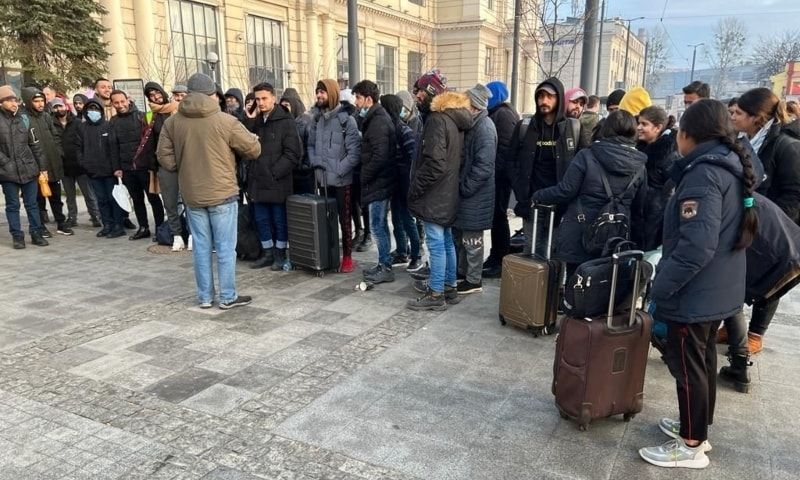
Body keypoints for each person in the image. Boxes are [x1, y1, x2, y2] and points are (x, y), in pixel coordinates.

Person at [639, 99, 758, 469]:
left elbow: (696, 246)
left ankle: (691, 445)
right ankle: (697, 426)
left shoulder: (703, 174)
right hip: (717, 286)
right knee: (702, 360)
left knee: (688, 365)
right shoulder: (729, 165)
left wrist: (659, 287)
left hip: (696, 290)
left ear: (689, 135)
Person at [157, 72, 261, 310]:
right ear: (212, 94)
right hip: (222, 193)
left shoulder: (172, 122)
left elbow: (163, 156)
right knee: (225, 248)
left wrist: (182, 167)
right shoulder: (225, 121)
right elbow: (253, 149)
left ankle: (204, 297)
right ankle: (227, 296)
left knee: (202, 248)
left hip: (192, 195)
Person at [531, 110, 647, 276]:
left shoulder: (587, 155)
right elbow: (639, 207)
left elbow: (566, 191)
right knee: (604, 286)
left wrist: (538, 195)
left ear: (605, 129)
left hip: (580, 232)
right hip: (616, 237)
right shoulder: (640, 165)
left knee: (576, 284)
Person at [716, 192, 800, 392]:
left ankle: (750, 342)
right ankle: (739, 358)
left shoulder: (718, 184)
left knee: (751, 290)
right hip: (768, 237)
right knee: (733, 290)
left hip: (781, 250)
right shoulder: (732, 183)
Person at [407, 91, 472, 310]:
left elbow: (435, 163)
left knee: (436, 244)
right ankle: (449, 288)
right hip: (448, 192)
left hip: (435, 194)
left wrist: (415, 187)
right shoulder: (455, 121)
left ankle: (436, 294)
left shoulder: (437, 120)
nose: (417, 96)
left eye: (421, 93)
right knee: (445, 241)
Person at [509, 77, 588, 257]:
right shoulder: (525, 127)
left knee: (553, 253)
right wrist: (520, 190)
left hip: (560, 203)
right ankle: (531, 286)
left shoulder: (573, 128)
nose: (544, 101)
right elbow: (511, 161)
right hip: (531, 202)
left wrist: (571, 193)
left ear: (559, 98)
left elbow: (584, 163)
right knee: (530, 252)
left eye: (549, 97)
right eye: (540, 96)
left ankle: (551, 286)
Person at [307, 79, 361, 273]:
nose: (319, 96)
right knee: (324, 220)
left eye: (322, 92)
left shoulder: (347, 120)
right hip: (321, 179)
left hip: (341, 181)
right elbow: (311, 145)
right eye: (317, 92)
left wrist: (338, 170)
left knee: (344, 220)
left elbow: (354, 153)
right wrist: (315, 163)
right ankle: (328, 254)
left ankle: (347, 257)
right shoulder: (316, 119)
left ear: (331, 93)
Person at [245, 82, 301, 271]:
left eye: (264, 98)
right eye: (257, 99)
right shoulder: (256, 121)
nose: (260, 103)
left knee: (279, 220)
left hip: (277, 181)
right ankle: (267, 253)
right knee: (261, 219)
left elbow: (293, 153)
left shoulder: (286, 121)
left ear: (274, 98)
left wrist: (275, 173)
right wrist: (249, 120)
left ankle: (279, 254)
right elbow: (245, 144)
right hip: (258, 181)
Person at [730, 87, 800, 225]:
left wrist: (765, 226)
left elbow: (794, 197)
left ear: (756, 117)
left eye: (738, 113)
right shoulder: (742, 142)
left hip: (770, 232)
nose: (732, 117)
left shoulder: (787, 146)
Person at [452, 84, 497, 294]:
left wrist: (465, 187)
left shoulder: (485, 127)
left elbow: (484, 166)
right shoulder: (473, 125)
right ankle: (463, 273)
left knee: (472, 240)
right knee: (463, 238)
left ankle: (473, 279)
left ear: (474, 106)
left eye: (465, 103)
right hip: (469, 193)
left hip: (475, 194)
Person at [352, 80, 396, 284]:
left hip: (378, 181)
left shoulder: (378, 120)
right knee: (379, 226)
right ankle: (383, 264)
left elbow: (380, 156)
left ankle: (385, 267)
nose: (356, 102)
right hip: (378, 180)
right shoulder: (373, 118)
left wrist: (365, 175)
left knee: (377, 226)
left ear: (369, 99)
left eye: (358, 98)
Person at [109, 90, 165, 240]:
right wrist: (117, 168)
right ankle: (143, 227)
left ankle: (160, 228)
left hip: (145, 167)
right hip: (127, 169)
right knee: (137, 200)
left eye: (122, 101)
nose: (120, 105)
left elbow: (152, 142)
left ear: (128, 100)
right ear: (112, 104)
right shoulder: (113, 122)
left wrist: (153, 165)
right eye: (116, 102)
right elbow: (113, 146)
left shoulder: (142, 117)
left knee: (153, 199)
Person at [0, 85, 49, 249]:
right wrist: (5, 163)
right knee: (13, 206)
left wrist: (42, 168)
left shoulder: (24, 119)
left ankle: (36, 233)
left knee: (32, 204)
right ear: (1, 103)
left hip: (29, 168)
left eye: (15, 99)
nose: (14, 103)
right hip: (7, 172)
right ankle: (17, 236)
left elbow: (35, 145)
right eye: (9, 100)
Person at [482, 81, 520, 278]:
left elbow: (504, 150)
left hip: (500, 177)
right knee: (497, 217)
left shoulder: (503, 115)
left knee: (498, 217)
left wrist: (493, 174)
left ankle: (499, 258)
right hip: (498, 175)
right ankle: (495, 256)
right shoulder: (499, 112)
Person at [380, 94, 421, 271]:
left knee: (407, 219)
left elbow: (413, 158)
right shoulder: (389, 129)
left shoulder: (403, 130)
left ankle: (416, 255)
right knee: (396, 218)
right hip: (395, 183)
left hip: (405, 183)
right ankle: (402, 251)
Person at [143, 82, 185, 251]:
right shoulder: (149, 115)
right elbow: (148, 142)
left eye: (157, 92)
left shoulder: (178, 110)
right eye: (151, 95)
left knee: (189, 201)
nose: (155, 96)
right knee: (170, 201)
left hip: (185, 162)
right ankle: (177, 234)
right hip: (164, 164)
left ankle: (192, 234)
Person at [22, 87, 69, 236]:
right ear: (29, 102)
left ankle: (61, 222)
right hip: (36, 165)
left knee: (55, 196)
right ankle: (41, 225)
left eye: (42, 100)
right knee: (39, 198)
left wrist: (59, 153)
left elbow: (55, 137)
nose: (40, 104)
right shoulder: (24, 119)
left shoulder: (47, 116)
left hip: (52, 163)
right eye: (36, 101)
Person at [77, 99, 126, 239]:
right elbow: (78, 148)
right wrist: (84, 164)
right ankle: (107, 225)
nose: (93, 112)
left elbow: (114, 148)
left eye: (96, 109)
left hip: (110, 171)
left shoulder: (108, 125)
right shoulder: (82, 128)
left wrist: (117, 167)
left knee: (113, 199)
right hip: (92, 171)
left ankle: (118, 225)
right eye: (90, 109)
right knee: (101, 200)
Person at [51, 97, 101, 228]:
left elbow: (84, 142)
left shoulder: (77, 122)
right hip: (64, 166)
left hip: (80, 165)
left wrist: (84, 160)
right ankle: (72, 217)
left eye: (60, 106)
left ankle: (95, 215)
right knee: (70, 195)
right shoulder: (52, 124)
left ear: (66, 107)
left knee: (88, 194)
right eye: (55, 107)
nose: (58, 109)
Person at [636, 105, 678, 250]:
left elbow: (671, 189)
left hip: (656, 219)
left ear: (658, 127)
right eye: (638, 123)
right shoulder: (640, 148)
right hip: (641, 215)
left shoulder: (668, 153)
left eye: (644, 124)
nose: (638, 127)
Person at [279, 88, 315, 195]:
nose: (283, 108)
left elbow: (310, 145)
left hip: (303, 174)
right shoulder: (282, 122)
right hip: (289, 173)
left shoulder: (306, 121)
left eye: (286, 105)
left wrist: (305, 166)